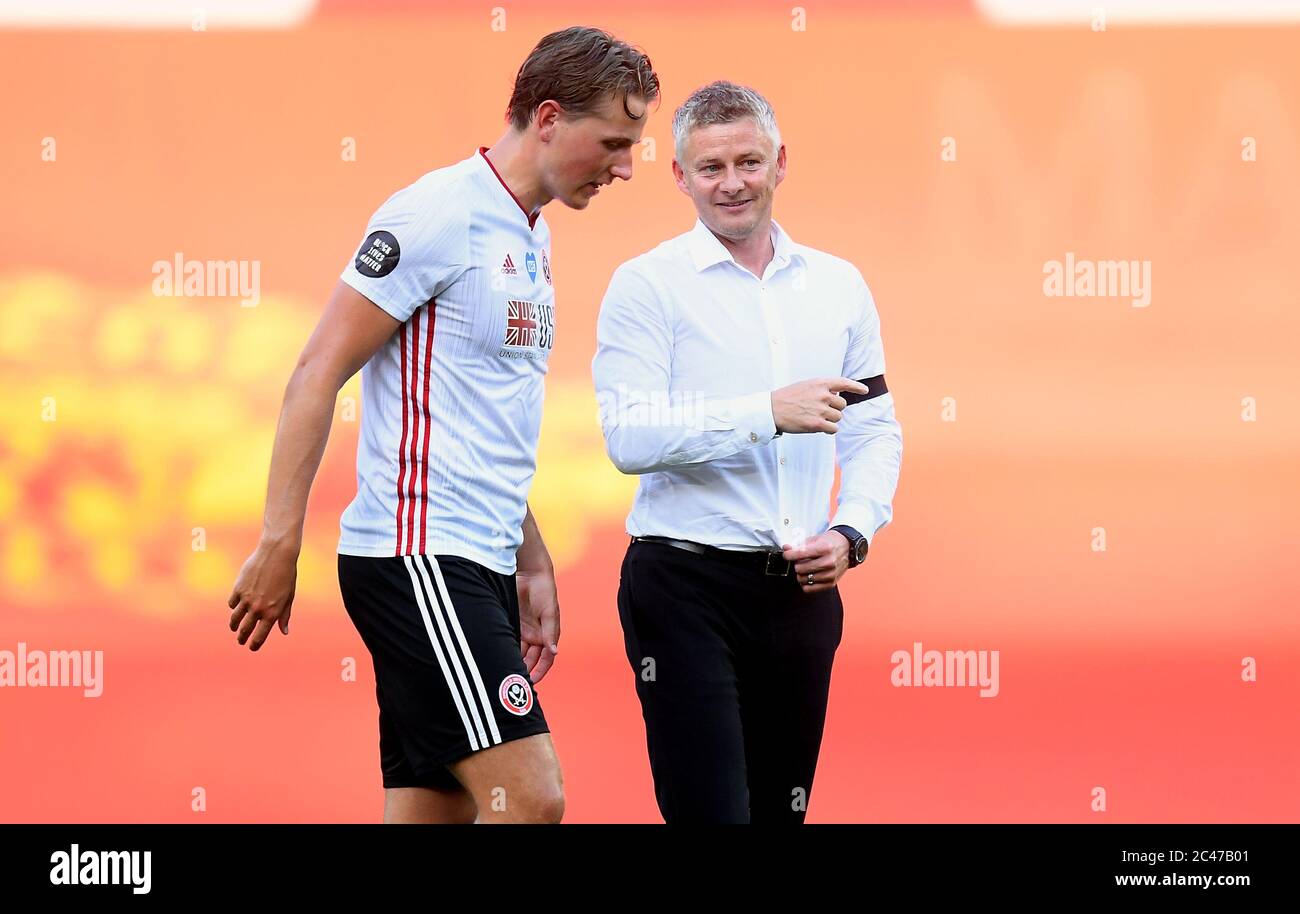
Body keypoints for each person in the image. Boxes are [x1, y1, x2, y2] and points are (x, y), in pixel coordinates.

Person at [227, 26, 659, 824]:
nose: (628, 167)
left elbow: (483, 413)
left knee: (438, 814)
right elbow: (317, 369)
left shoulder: (533, 233)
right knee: (534, 800)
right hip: (419, 559)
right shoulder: (438, 213)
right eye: (615, 142)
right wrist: (279, 539)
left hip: (476, 561)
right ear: (551, 117)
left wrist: (528, 557)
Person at [592, 80, 902, 824]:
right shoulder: (646, 287)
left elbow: (873, 428)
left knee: (777, 815)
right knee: (711, 814)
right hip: (683, 585)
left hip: (800, 592)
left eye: (749, 162)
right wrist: (765, 414)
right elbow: (629, 436)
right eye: (710, 168)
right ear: (679, 176)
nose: (732, 183)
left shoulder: (838, 285)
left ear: (781, 162)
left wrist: (852, 532)